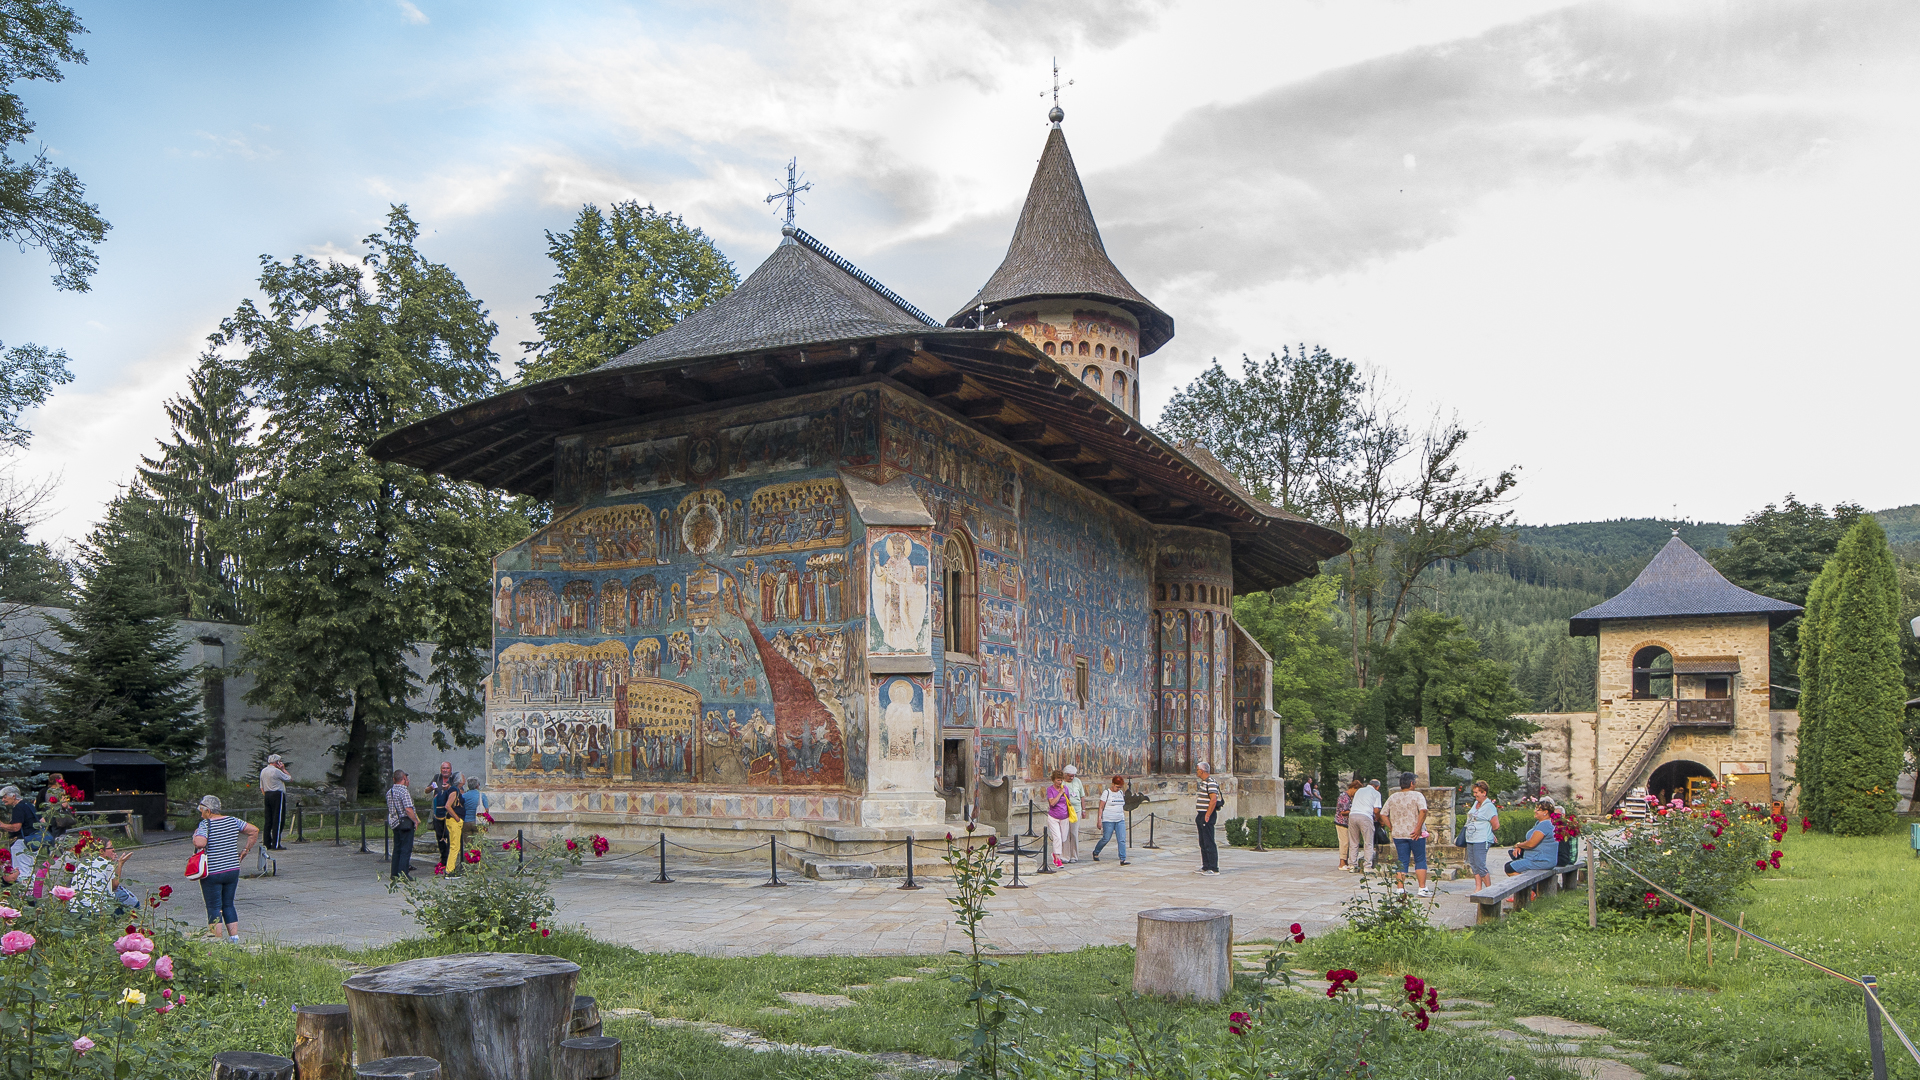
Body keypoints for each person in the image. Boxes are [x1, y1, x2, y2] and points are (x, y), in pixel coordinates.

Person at [194, 795, 259, 943]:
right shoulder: (233, 820)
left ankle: (216, 939)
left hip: (213, 871)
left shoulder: (205, 824)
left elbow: (200, 843)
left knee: (213, 906)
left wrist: (195, 835)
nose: (201, 813)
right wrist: (245, 850)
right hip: (232, 869)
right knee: (228, 904)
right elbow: (253, 831)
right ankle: (234, 938)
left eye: (201, 810)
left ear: (208, 810)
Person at [1384, 772, 1430, 897]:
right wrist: (1418, 827)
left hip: (1399, 833)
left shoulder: (1393, 797)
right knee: (1419, 859)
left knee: (1402, 860)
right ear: (1411, 783)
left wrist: (1392, 827)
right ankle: (1422, 888)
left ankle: (1400, 888)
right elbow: (1423, 810)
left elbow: (1383, 813)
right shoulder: (1417, 795)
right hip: (1415, 833)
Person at [70, 837, 138, 913]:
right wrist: (120, 863)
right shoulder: (105, 863)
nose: (113, 849)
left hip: (75, 909)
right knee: (132, 902)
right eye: (111, 847)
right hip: (97, 910)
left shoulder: (83, 863)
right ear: (101, 851)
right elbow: (114, 886)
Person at [0, 786, 48, 876]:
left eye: (5, 797)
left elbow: (16, 827)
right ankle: (30, 889)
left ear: (13, 796)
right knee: (29, 869)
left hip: (23, 842)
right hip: (34, 841)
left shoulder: (18, 808)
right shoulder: (29, 805)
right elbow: (42, 821)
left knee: (21, 870)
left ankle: (25, 890)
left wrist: (2, 825)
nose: (3, 800)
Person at [1462, 780, 1500, 891]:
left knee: (1480, 865)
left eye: (1477, 792)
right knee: (1473, 864)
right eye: (1474, 792)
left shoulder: (1489, 806)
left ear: (1484, 793)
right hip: (1471, 838)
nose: (1475, 795)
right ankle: (1478, 888)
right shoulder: (1476, 804)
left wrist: (1488, 832)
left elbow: (1496, 825)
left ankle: (1489, 890)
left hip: (1481, 839)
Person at [1504, 800, 1559, 875]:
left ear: (1545, 812)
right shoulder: (1542, 823)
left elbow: (1531, 844)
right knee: (1512, 864)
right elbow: (1530, 841)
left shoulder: (1545, 824)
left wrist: (1518, 845)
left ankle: (1530, 886)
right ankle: (1530, 885)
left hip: (1541, 861)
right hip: (1540, 859)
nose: (1535, 811)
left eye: (1538, 810)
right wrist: (1520, 847)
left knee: (1509, 868)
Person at [387, 770, 420, 882]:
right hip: (405, 822)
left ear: (394, 779)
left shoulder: (390, 792)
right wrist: (415, 820)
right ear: (404, 779)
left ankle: (394, 873)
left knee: (397, 848)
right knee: (406, 849)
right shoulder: (404, 791)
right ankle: (403, 873)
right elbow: (408, 809)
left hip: (395, 822)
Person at [1346, 775, 1381, 873]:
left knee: (1353, 841)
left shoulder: (1359, 791)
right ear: (1377, 787)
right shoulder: (1376, 793)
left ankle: (1352, 865)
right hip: (1365, 816)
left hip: (1353, 815)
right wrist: (1379, 820)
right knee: (1368, 842)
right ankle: (1367, 866)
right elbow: (1376, 810)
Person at [1091, 775, 1129, 864]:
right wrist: (1099, 820)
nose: (1118, 789)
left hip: (1120, 819)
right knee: (1106, 838)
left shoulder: (1120, 793)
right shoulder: (1106, 793)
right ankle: (1096, 851)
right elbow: (1101, 807)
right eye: (1117, 787)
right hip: (1108, 819)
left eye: (1120, 787)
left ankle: (1122, 858)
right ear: (1113, 784)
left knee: (1122, 839)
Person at [259, 753, 292, 850]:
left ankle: (267, 843)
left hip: (267, 794)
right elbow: (289, 778)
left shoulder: (263, 771)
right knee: (278, 819)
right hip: (277, 794)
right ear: (277, 762)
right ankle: (276, 843)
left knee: (268, 819)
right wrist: (283, 769)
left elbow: (261, 787)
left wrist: (266, 794)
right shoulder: (276, 771)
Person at [1194, 760, 1221, 876]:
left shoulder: (1211, 782)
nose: (1196, 772)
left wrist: (1207, 815)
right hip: (1201, 814)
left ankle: (1213, 867)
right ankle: (1206, 866)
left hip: (1207, 815)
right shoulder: (1203, 782)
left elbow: (1213, 800)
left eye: (1197, 770)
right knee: (1203, 841)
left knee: (1209, 841)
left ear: (1202, 771)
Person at [429, 761, 455, 869]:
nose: (445, 770)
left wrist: (449, 788)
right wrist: (432, 787)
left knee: (449, 836)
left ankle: (449, 860)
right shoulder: (437, 778)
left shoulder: (453, 779)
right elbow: (426, 790)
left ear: (450, 769)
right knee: (439, 836)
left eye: (447, 768)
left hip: (449, 813)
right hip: (438, 813)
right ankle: (443, 859)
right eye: (443, 768)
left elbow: (460, 791)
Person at [1043, 770, 1072, 868]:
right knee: (1057, 837)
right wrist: (1059, 794)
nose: (1060, 782)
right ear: (1054, 780)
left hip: (1064, 816)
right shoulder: (1050, 790)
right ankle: (1057, 858)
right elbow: (1052, 803)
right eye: (1058, 780)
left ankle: (1055, 853)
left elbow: (1068, 801)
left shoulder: (1066, 789)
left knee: (1063, 838)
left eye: (1061, 780)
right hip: (1053, 817)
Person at [444, 774, 468, 874]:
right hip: (454, 820)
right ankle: (449, 870)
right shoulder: (454, 790)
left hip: (454, 820)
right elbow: (448, 806)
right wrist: (457, 818)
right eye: (463, 777)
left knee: (455, 845)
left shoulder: (457, 790)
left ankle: (450, 868)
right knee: (455, 846)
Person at [1061, 765, 1084, 863]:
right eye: (1070, 776)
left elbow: (1082, 796)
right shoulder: (1061, 782)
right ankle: (1066, 855)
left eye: (1073, 776)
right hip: (1065, 811)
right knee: (1065, 833)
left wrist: (1084, 810)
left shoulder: (1078, 781)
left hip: (1076, 809)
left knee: (1074, 833)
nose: (1072, 778)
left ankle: (1074, 855)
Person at [1333, 779, 1357, 871]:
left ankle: (1345, 861)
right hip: (1341, 822)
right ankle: (1342, 862)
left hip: (1346, 823)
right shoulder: (1344, 796)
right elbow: (1343, 812)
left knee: (1347, 842)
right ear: (1353, 788)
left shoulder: (1349, 797)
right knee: (1344, 842)